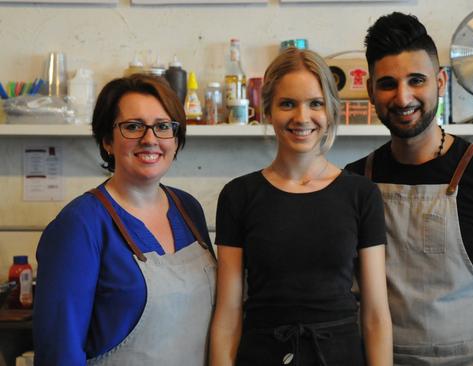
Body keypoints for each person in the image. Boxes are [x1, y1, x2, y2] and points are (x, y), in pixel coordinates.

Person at [345, 12, 473, 366]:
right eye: (388, 83)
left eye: (416, 80)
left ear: (440, 82)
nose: (403, 96)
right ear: (370, 91)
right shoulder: (354, 182)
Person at [211, 47, 392, 366]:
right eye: (287, 104)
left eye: (315, 104)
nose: (302, 117)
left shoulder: (361, 194)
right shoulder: (238, 195)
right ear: (267, 110)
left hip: (339, 356)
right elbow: (227, 313)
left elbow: (376, 313)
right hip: (262, 356)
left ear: (331, 111)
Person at [33, 74, 216, 365]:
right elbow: (58, 351)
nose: (150, 139)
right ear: (107, 140)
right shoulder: (80, 225)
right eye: (133, 127)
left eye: (163, 126)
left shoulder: (188, 209)